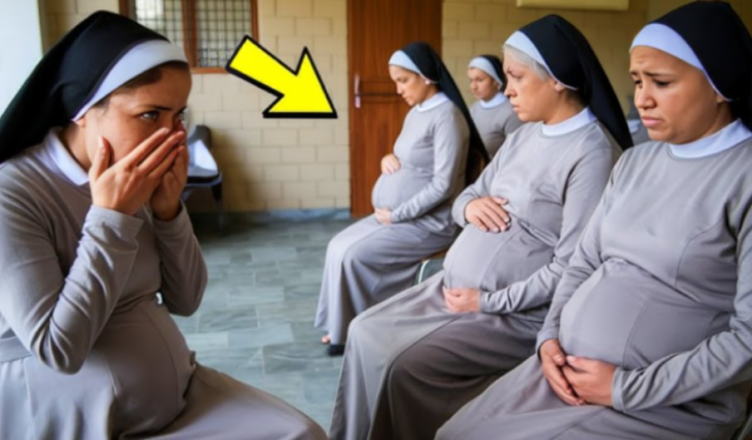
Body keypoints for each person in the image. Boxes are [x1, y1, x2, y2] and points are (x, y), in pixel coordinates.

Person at [0, 11, 326, 440]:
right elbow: (59, 349)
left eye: (178, 116)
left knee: (302, 433)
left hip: (173, 396)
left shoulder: (133, 174)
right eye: (150, 115)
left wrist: (170, 213)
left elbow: (186, 299)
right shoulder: (13, 193)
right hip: (84, 417)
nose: (171, 136)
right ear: (83, 110)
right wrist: (112, 219)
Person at [437, 3, 752, 440]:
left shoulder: (743, 177)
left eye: (661, 82)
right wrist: (549, 339)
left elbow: (747, 339)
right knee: (454, 433)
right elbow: (583, 263)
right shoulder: (636, 162)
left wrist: (624, 387)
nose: (641, 98)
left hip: (665, 401)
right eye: (638, 81)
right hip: (566, 368)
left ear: (720, 83)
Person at [329, 15, 631, 440]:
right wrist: (470, 208)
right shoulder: (524, 136)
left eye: (516, 77)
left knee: (400, 364)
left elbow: (571, 267)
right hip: (456, 289)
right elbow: (465, 196)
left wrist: (488, 300)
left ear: (557, 79)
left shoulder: (592, 154)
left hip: (514, 311)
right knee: (362, 330)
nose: (507, 90)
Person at [314, 41, 487, 356]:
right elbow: (409, 155)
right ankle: (339, 325)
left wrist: (398, 214)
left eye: (403, 80)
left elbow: (444, 184)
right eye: (395, 81)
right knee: (336, 246)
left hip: (431, 222)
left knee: (353, 255)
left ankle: (359, 330)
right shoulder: (416, 112)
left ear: (425, 77)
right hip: (398, 215)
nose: (398, 90)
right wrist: (388, 158)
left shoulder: (447, 117)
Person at [467, 55, 523, 157]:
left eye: (479, 80)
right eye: (471, 80)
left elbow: (517, 153)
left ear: (496, 81)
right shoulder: (472, 109)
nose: (473, 86)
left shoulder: (511, 112)